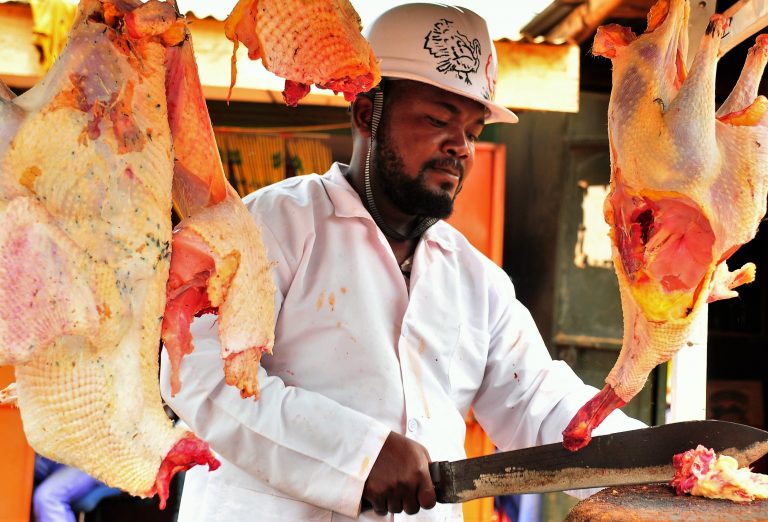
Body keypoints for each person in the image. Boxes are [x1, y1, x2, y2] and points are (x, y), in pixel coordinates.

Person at [160, 3, 645, 520]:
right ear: (367, 111)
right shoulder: (268, 229)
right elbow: (202, 378)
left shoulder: (477, 281)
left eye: (475, 131)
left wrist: (659, 462)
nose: (460, 147)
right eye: (439, 119)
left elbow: (540, 404)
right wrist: (359, 455)